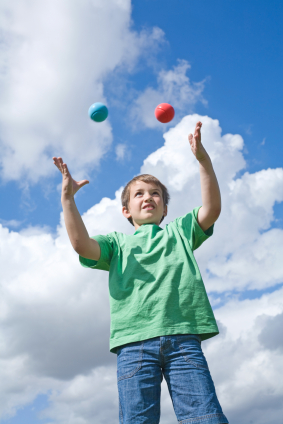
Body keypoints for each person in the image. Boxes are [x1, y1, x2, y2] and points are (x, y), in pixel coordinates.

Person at [53, 121, 229, 424]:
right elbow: (82, 245)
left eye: (156, 193)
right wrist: (68, 200)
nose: (148, 197)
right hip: (134, 345)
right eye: (139, 194)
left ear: (164, 209)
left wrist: (203, 160)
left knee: (205, 418)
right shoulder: (116, 244)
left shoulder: (179, 232)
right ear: (126, 210)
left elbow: (211, 210)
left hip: (183, 340)